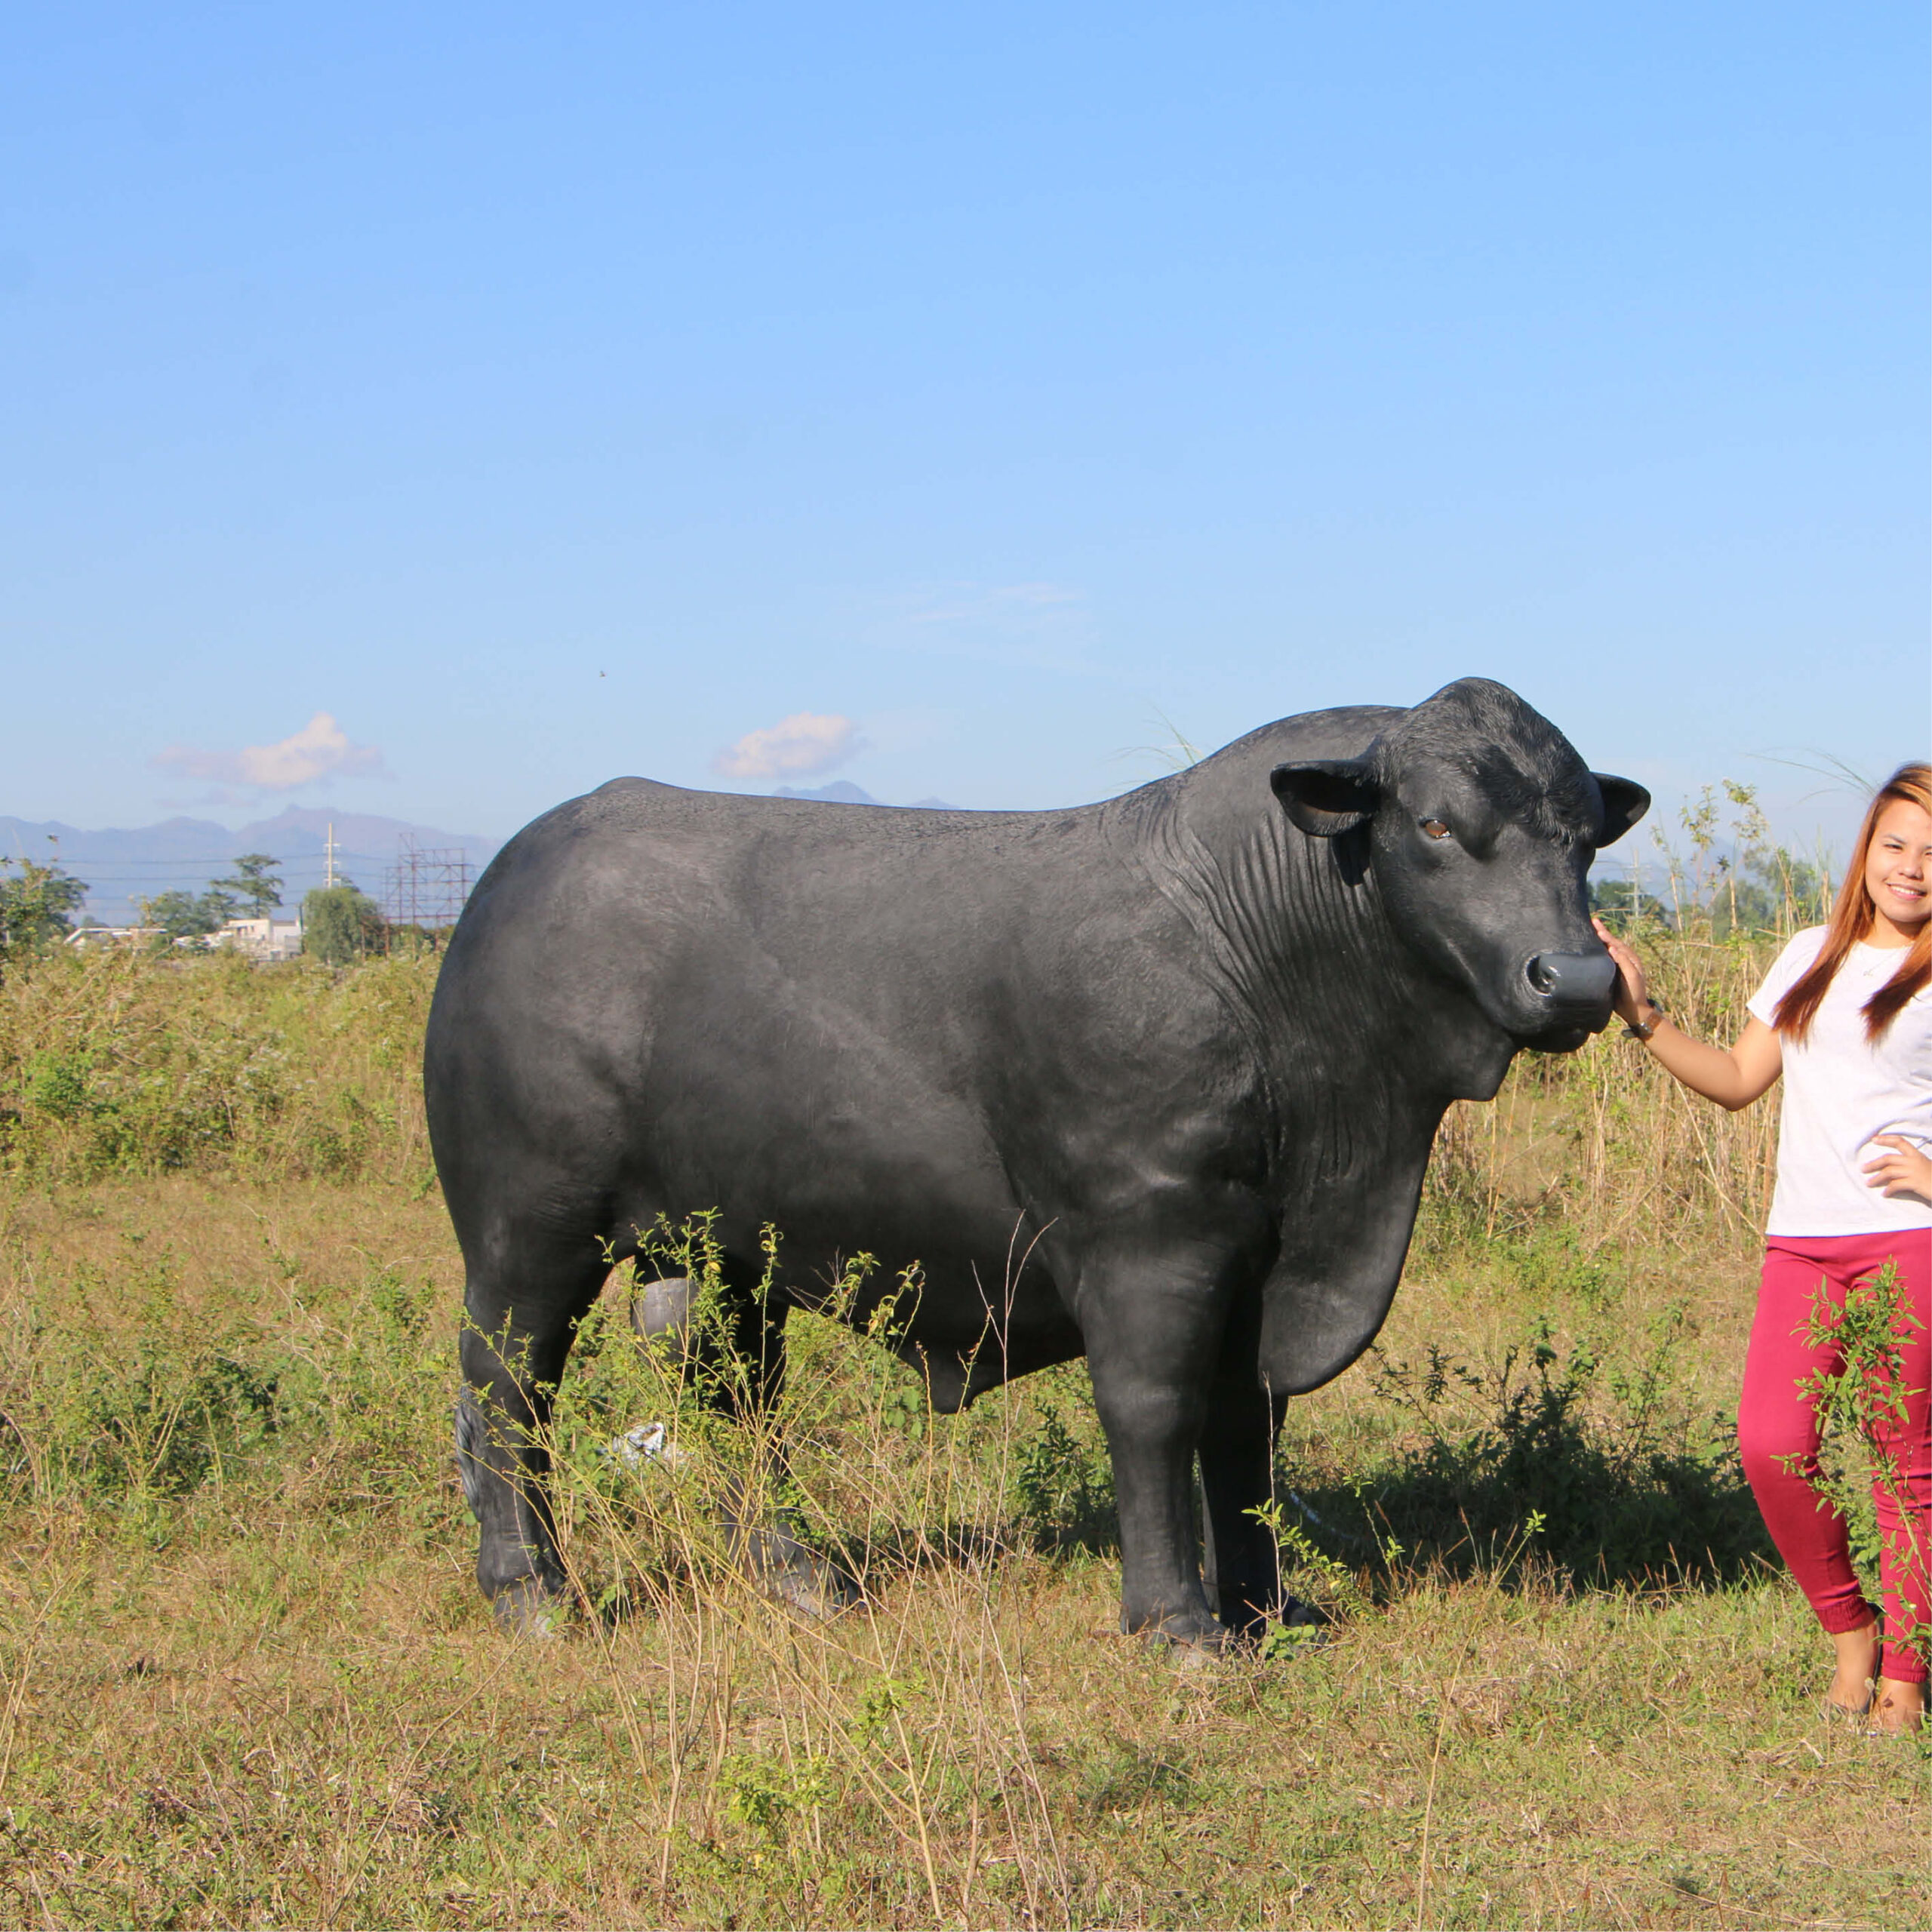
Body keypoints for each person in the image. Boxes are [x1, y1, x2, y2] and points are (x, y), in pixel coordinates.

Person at [1594, 763, 1931, 1734]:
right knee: (1771, 1442)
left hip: (1906, 1244)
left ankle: (1905, 1680)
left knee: (1906, 1463)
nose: (1909, 869)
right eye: (1894, 844)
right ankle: (1850, 1633)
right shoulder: (1805, 954)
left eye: (1929, 854)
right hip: (1804, 1246)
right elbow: (1739, 1078)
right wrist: (1640, 1013)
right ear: (1867, 848)